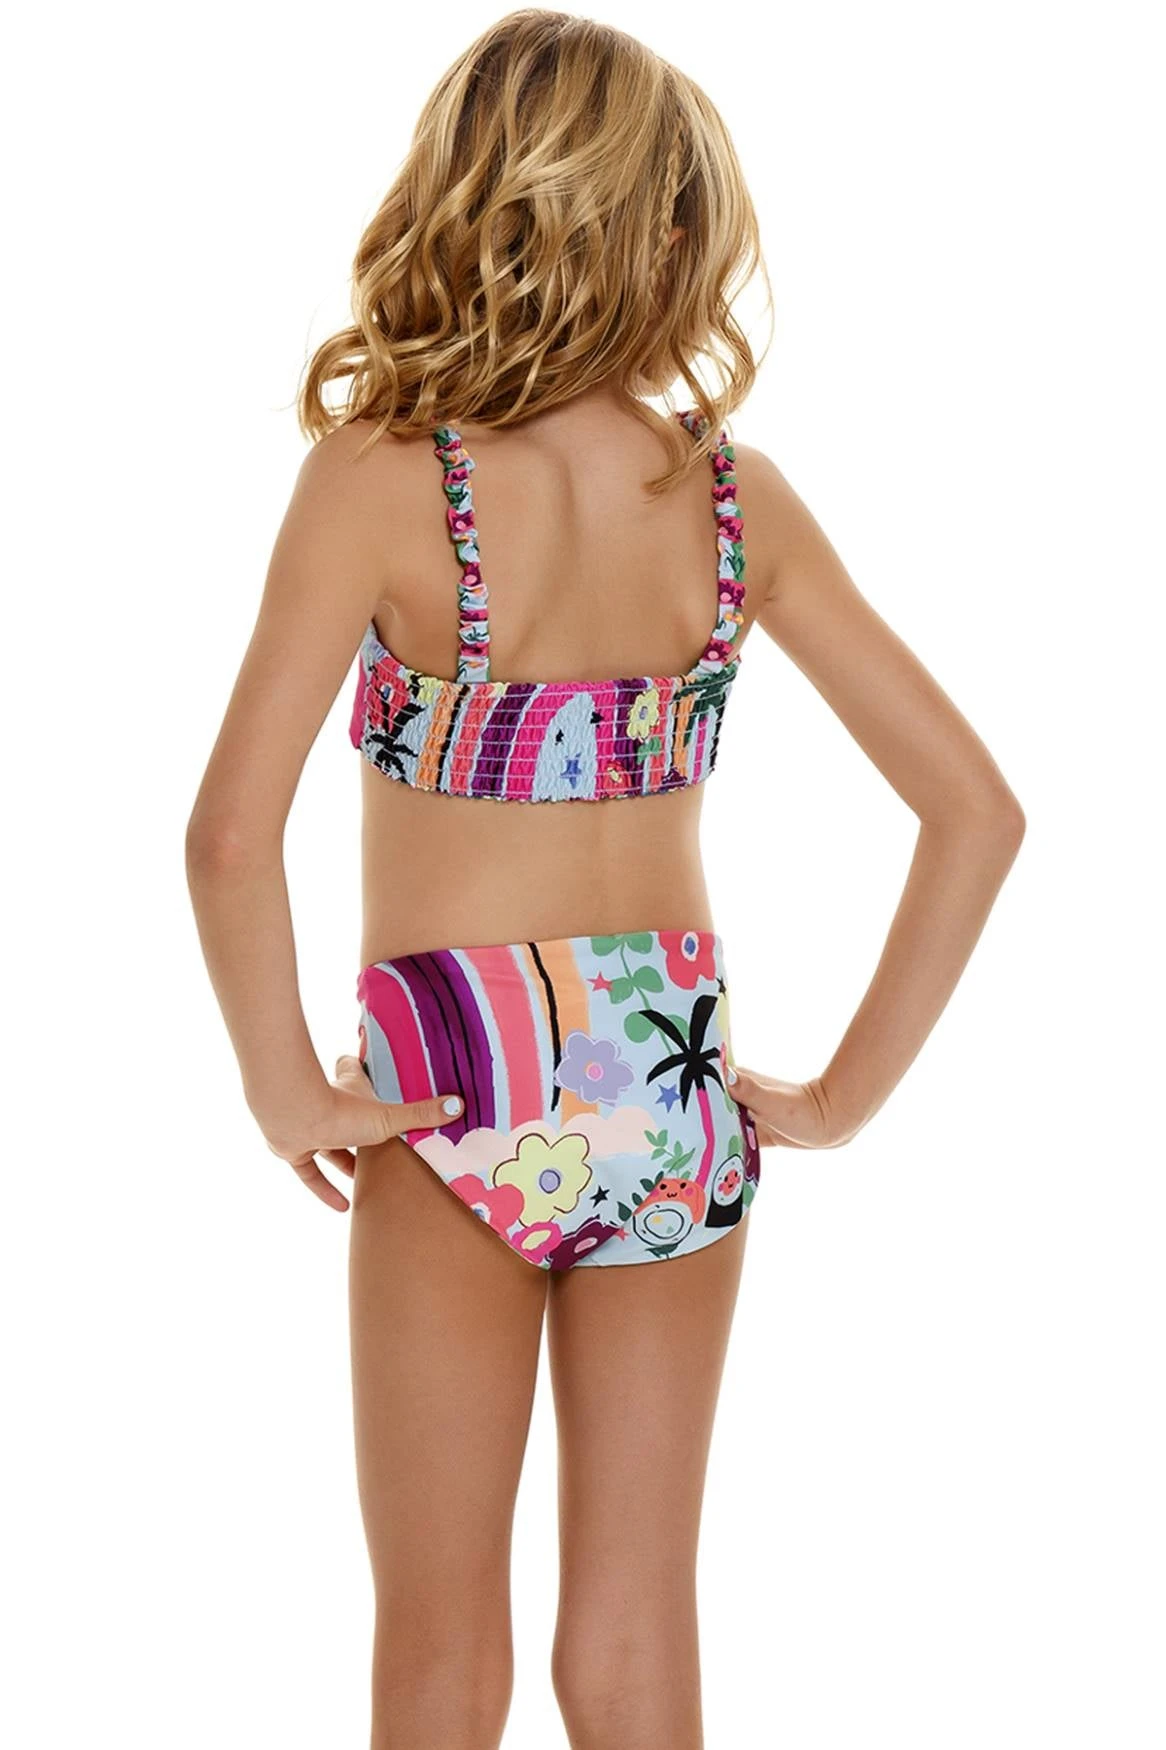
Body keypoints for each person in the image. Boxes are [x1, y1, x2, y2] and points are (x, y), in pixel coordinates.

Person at [185, 11, 1025, 1748]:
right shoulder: (727, 499)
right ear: (673, 232)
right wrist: (839, 1097)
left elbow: (228, 833)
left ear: (463, 198)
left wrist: (282, 1086)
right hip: (667, 1076)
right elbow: (973, 810)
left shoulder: (383, 481)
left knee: (440, 1651)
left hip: (452, 1083)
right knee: (634, 1640)